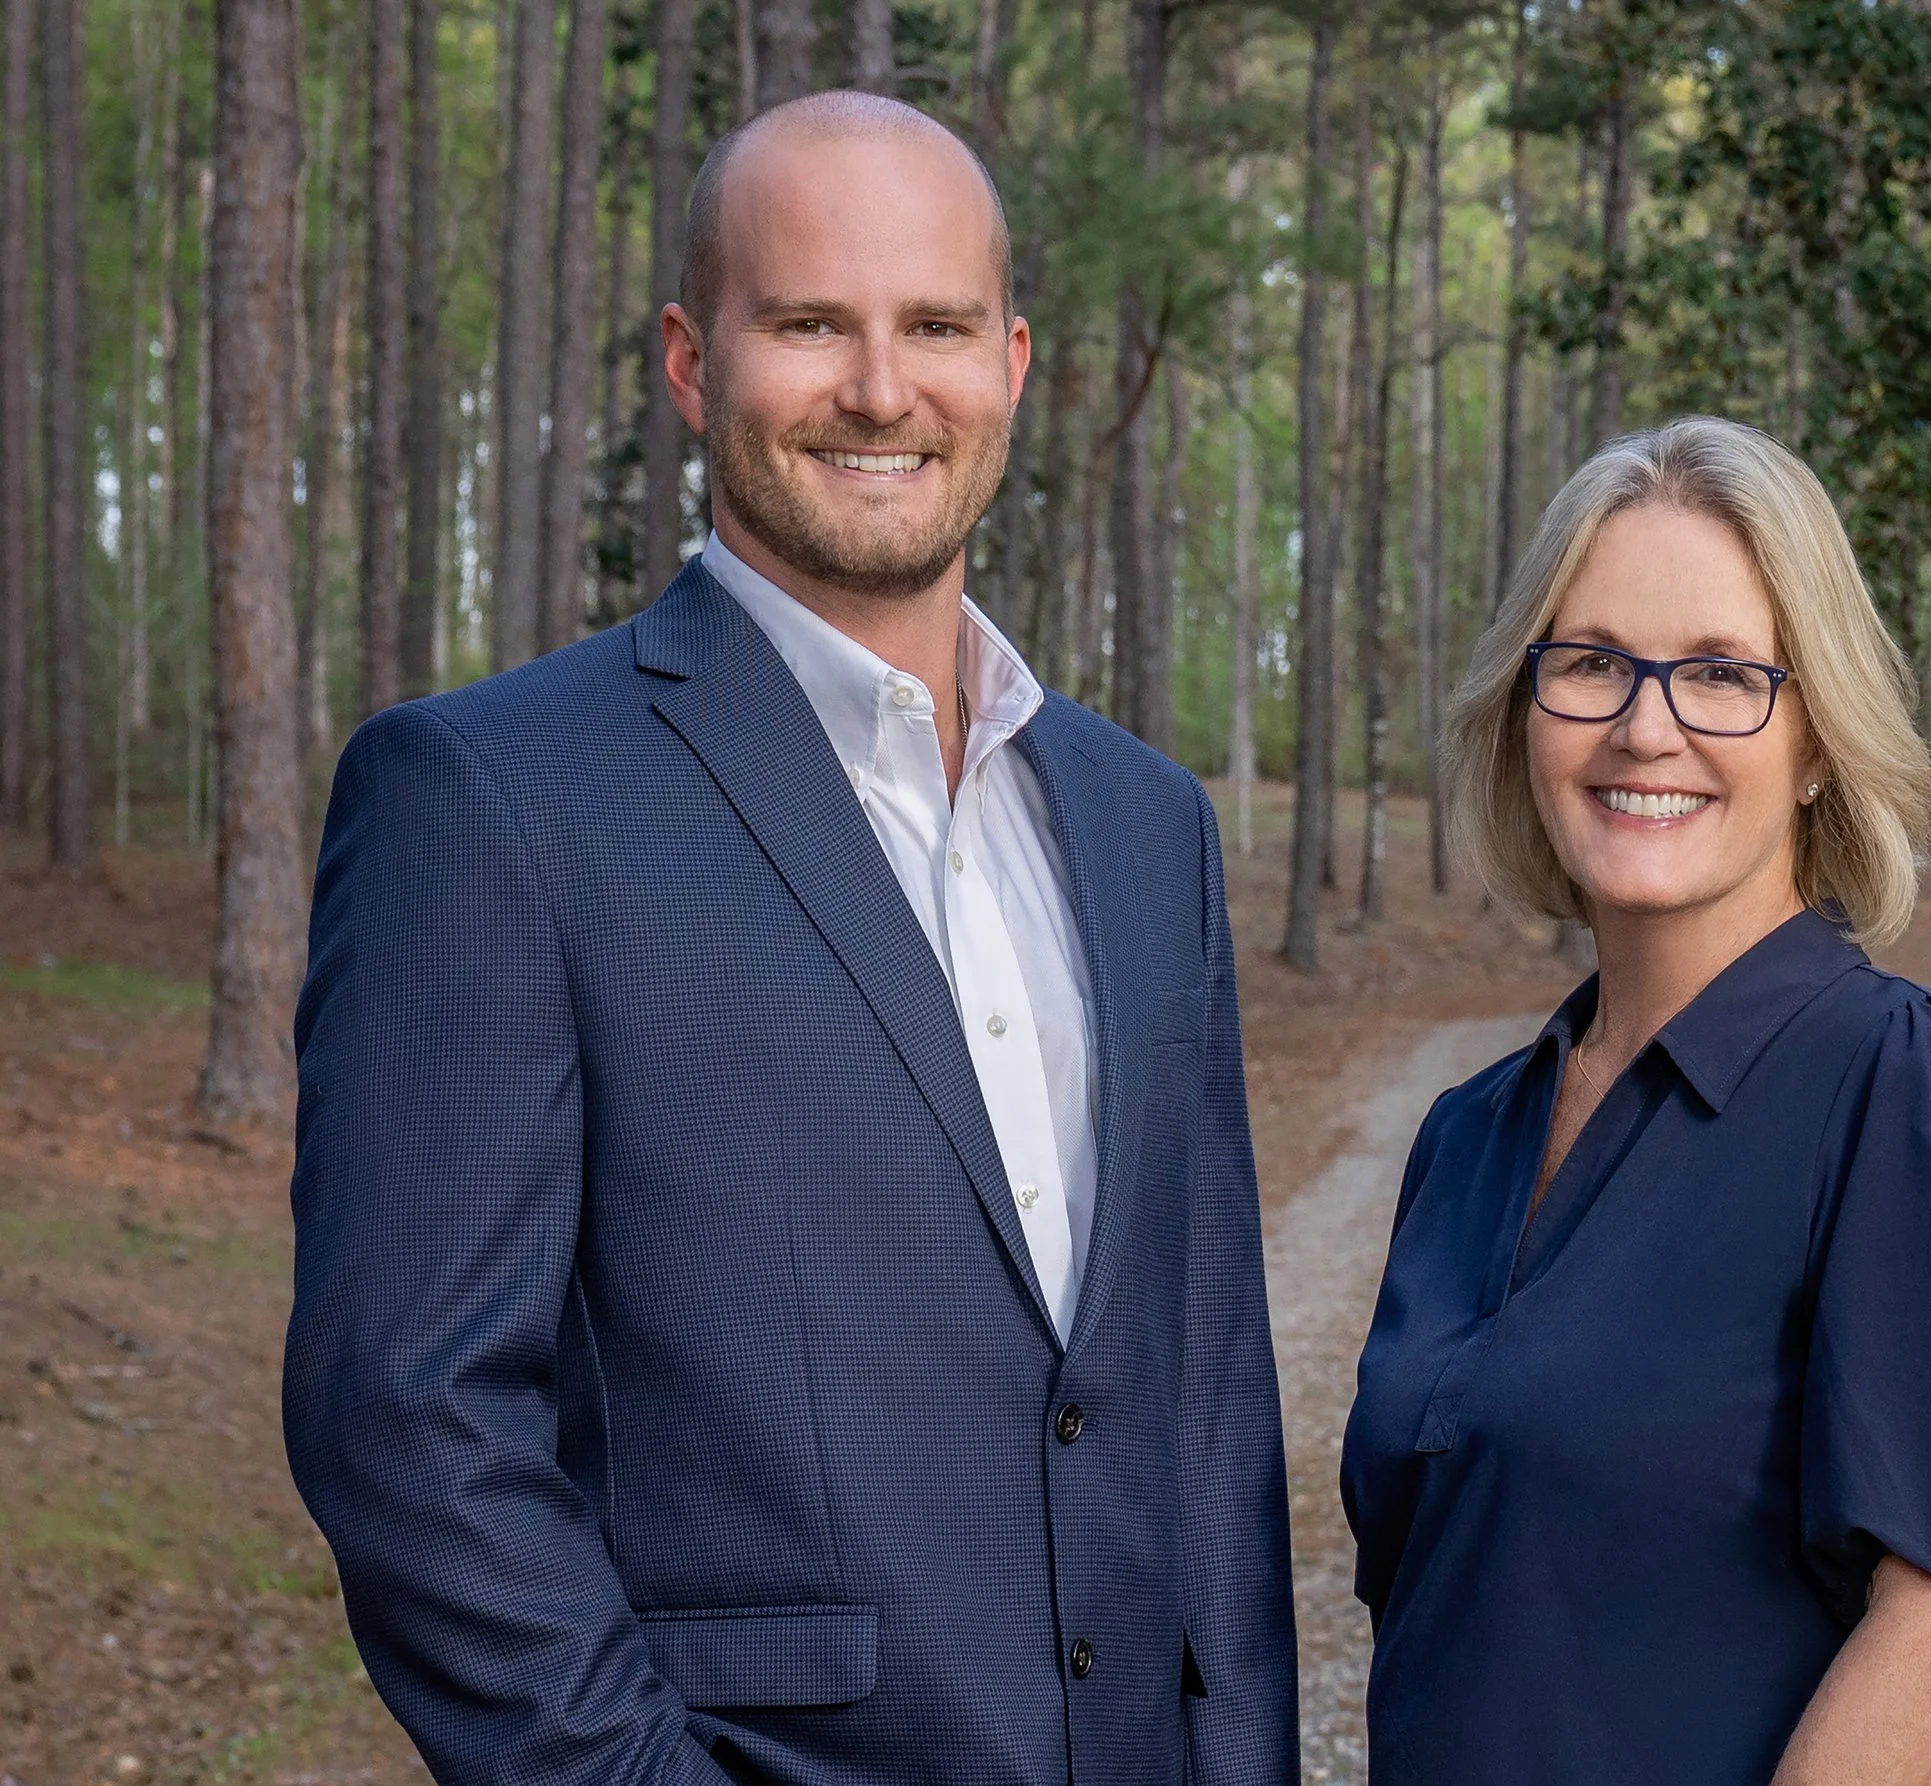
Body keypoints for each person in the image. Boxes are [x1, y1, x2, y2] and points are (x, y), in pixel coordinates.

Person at [284, 92, 1297, 1786]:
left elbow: (1202, 1399)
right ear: (693, 359)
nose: (883, 389)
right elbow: (413, 1419)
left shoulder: (1145, 824)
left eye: (938, 326)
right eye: (812, 322)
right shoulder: (489, 798)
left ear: (1016, 362)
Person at [1340, 417, 1931, 1785]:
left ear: (1816, 741)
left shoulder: (1907, 1092)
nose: (1647, 724)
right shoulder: (1469, 1137)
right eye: (1589, 663)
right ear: (1527, 713)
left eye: (1721, 673)